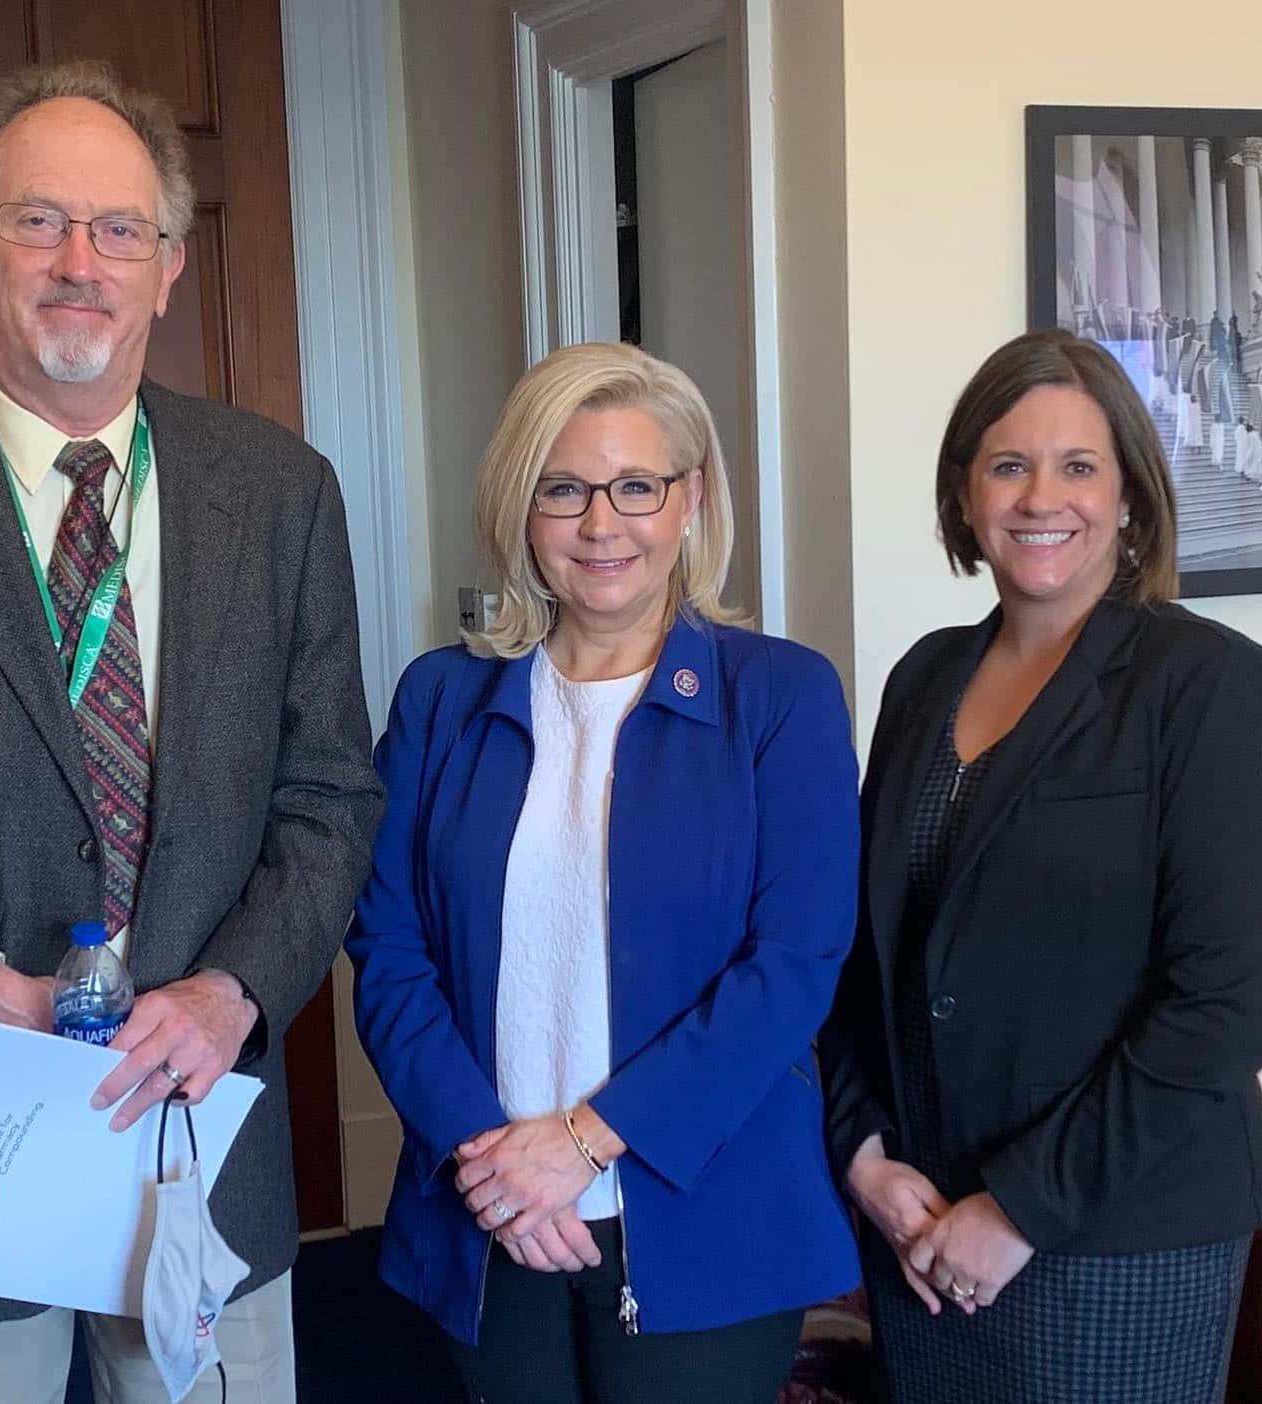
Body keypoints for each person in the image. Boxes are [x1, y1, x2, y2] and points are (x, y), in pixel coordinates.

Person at [0, 60, 382, 1402]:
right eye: (38, 222)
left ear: (171, 266)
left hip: (195, 1125)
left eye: (120, 228)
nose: (82, 262)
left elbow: (330, 795)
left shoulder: (281, 492)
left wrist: (231, 990)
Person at [347, 342, 861, 1404]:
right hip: (490, 1215)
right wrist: (492, 1162)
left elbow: (795, 964)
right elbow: (387, 947)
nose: (600, 523)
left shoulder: (780, 697)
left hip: (706, 1218)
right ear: (518, 508)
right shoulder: (442, 700)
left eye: (636, 485)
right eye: (563, 489)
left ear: (691, 499)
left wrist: (583, 1143)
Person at [819, 328, 1262, 1403]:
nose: (1039, 498)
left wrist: (1018, 1207)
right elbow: (860, 954)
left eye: (1078, 467)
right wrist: (862, 1154)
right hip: (920, 1223)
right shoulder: (924, 679)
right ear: (965, 494)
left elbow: (1223, 998)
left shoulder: (1205, 685)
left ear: (1128, 499)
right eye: (1008, 465)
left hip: (1116, 1233)